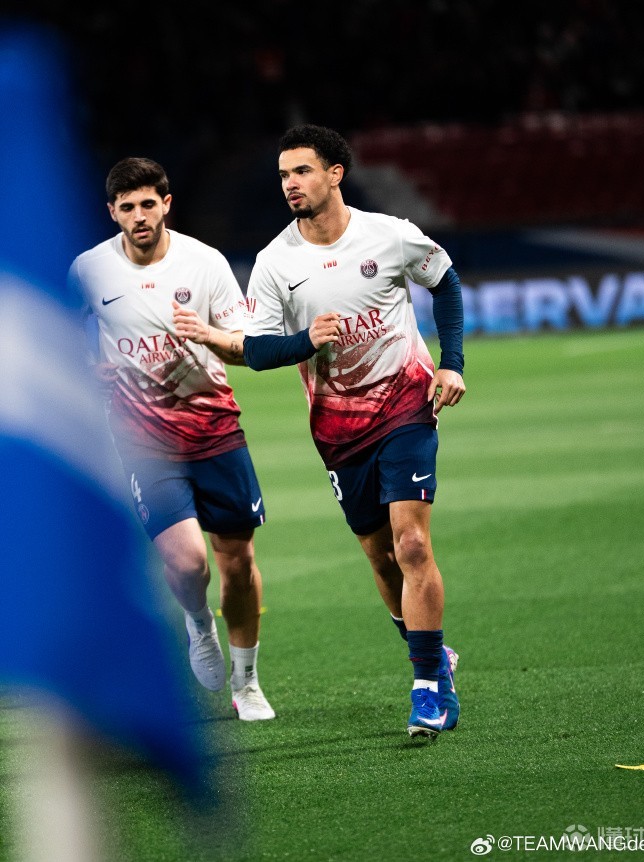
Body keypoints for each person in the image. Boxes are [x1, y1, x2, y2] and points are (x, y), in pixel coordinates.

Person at [241, 124, 466, 738]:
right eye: (283, 174)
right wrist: (304, 340)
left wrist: (451, 362)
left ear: (335, 173)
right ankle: (432, 653)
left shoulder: (389, 235)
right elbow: (256, 350)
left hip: (406, 404)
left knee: (411, 544)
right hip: (338, 428)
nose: (290, 184)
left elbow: (444, 280)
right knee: (381, 556)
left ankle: (429, 686)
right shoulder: (275, 262)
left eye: (302, 171)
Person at [69, 157, 274, 721]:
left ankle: (247, 682)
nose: (139, 216)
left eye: (147, 204)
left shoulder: (204, 263)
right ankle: (198, 623)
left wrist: (206, 334)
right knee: (187, 565)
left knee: (237, 563)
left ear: (166, 204)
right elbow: (60, 329)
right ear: (112, 212)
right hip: (143, 438)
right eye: (127, 207)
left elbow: (244, 345)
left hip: (215, 430)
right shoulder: (88, 269)